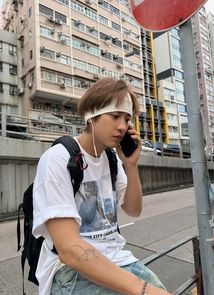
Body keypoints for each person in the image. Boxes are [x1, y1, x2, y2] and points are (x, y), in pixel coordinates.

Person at [32, 77, 171, 295]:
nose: (122, 126)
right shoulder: (57, 159)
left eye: (126, 119)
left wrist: (131, 165)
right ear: (91, 114)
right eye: (115, 116)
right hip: (69, 269)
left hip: (117, 260)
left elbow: (133, 209)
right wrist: (143, 290)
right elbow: (68, 250)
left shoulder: (112, 159)